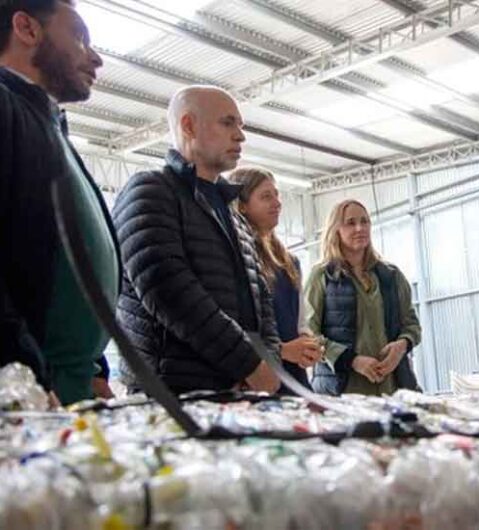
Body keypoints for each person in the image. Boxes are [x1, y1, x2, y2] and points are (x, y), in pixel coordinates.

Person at [113, 86, 280, 395]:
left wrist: (269, 364)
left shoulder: (236, 219)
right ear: (188, 125)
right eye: (228, 123)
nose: (240, 136)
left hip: (239, 395)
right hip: (174, 396)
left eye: (240, 126)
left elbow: (261, 304)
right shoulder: (150, 192)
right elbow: (169, 291)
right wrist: (250, 366)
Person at [1, 0, 120, 405]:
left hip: (68, 387)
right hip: (27, 393)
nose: (96, 57)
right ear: (27, 28)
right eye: (80, 38)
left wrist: (97, 368)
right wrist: (22, 369)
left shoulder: (48, 125)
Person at [305, 200, 422, 396]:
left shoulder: (391, 275)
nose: (360, 228)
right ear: (336, 230)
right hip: (341, 394)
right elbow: (309, 333)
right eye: (350, 223)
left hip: (392, 390)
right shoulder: (321, 276)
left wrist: (401, 346)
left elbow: (412, 325)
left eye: (365, 221)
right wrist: (352, 360)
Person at [229, 166, 323, 393]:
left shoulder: (290, 261)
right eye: (266, 196)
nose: (277, 202)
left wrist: (307, 346)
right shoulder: (234, 257)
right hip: (257, 378)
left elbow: (300, 321)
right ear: (242, 206)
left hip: (294, 379)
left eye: (276, 195)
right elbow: (232, 329)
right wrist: (282, 350)